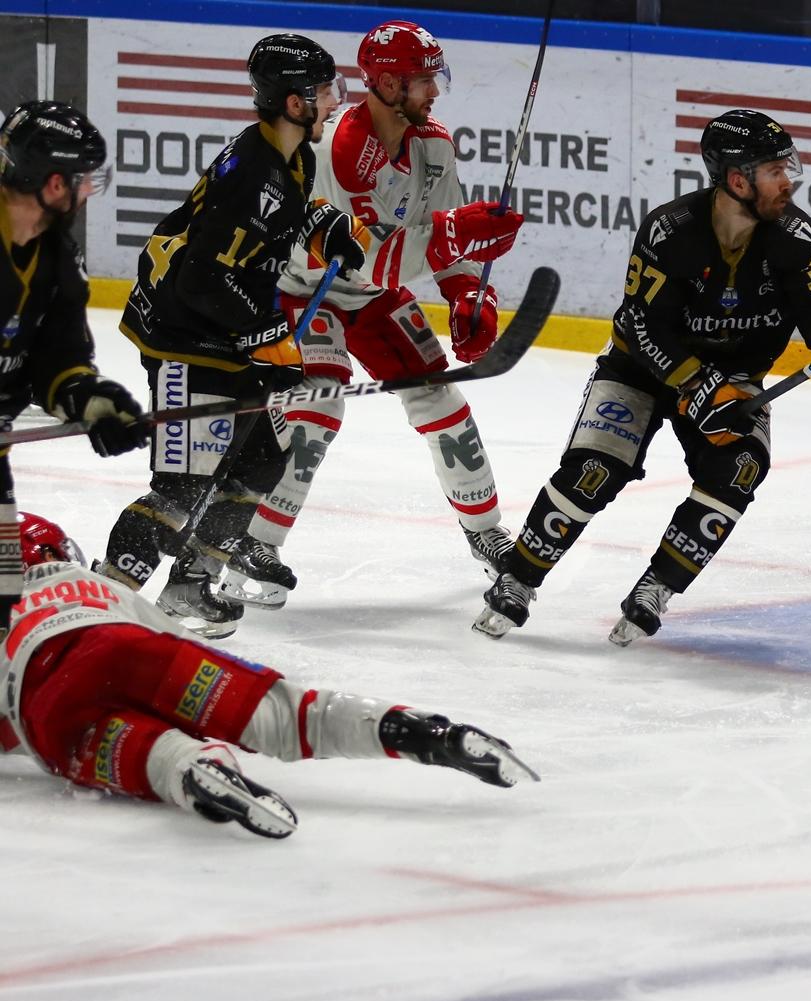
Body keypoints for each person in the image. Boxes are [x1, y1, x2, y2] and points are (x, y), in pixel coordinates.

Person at [472, 109, 811, 645]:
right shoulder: (670, 231)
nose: (789, 180)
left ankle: (657, 586)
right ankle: (519, 579)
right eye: (774, 169)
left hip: (734, 378)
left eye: (788, 166)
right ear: (738, 180)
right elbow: (642, 325)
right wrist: (694, 385)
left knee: (739, 469)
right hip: (642, 368)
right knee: (595, 468)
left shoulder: (800, 239)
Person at [1, 513, 536, 840]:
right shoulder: (87, 583)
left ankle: (196, 770)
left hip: (42, 708)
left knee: (154, 753)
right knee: (285, 714)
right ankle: (423, 733)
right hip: (121, 641)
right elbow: (172, 649)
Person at [241, 20, 526, 610]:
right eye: (424, 81)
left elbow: (447, 249)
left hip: (370, 294)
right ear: (389, 84)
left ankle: (486, 532)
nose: (435, 92)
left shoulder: (434, 145)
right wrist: (459, 234)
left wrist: (472, 297)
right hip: (302, 289)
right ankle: (255, 543)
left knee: (441, 400)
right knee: (320, 402)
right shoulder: (340, 149)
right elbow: (373, 258)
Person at [96, 33, 370, 638]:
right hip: (185, 339)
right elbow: (201, 279)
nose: (334, 103)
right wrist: (267, 335)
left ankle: (190, 587)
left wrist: (324, 227)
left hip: (222, 332)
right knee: (181, 489)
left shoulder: (290, 153)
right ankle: (105, 599)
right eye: (326, 92)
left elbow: (279, 218)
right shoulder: (253, 170)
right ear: (296, 101)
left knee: (260, 460)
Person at [0, 101, 151, 615]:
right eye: (84, 179)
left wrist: (88, 399)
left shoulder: (56, 258)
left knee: (3, 602)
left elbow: (57, 358)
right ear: (54, 183)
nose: (90, 191)